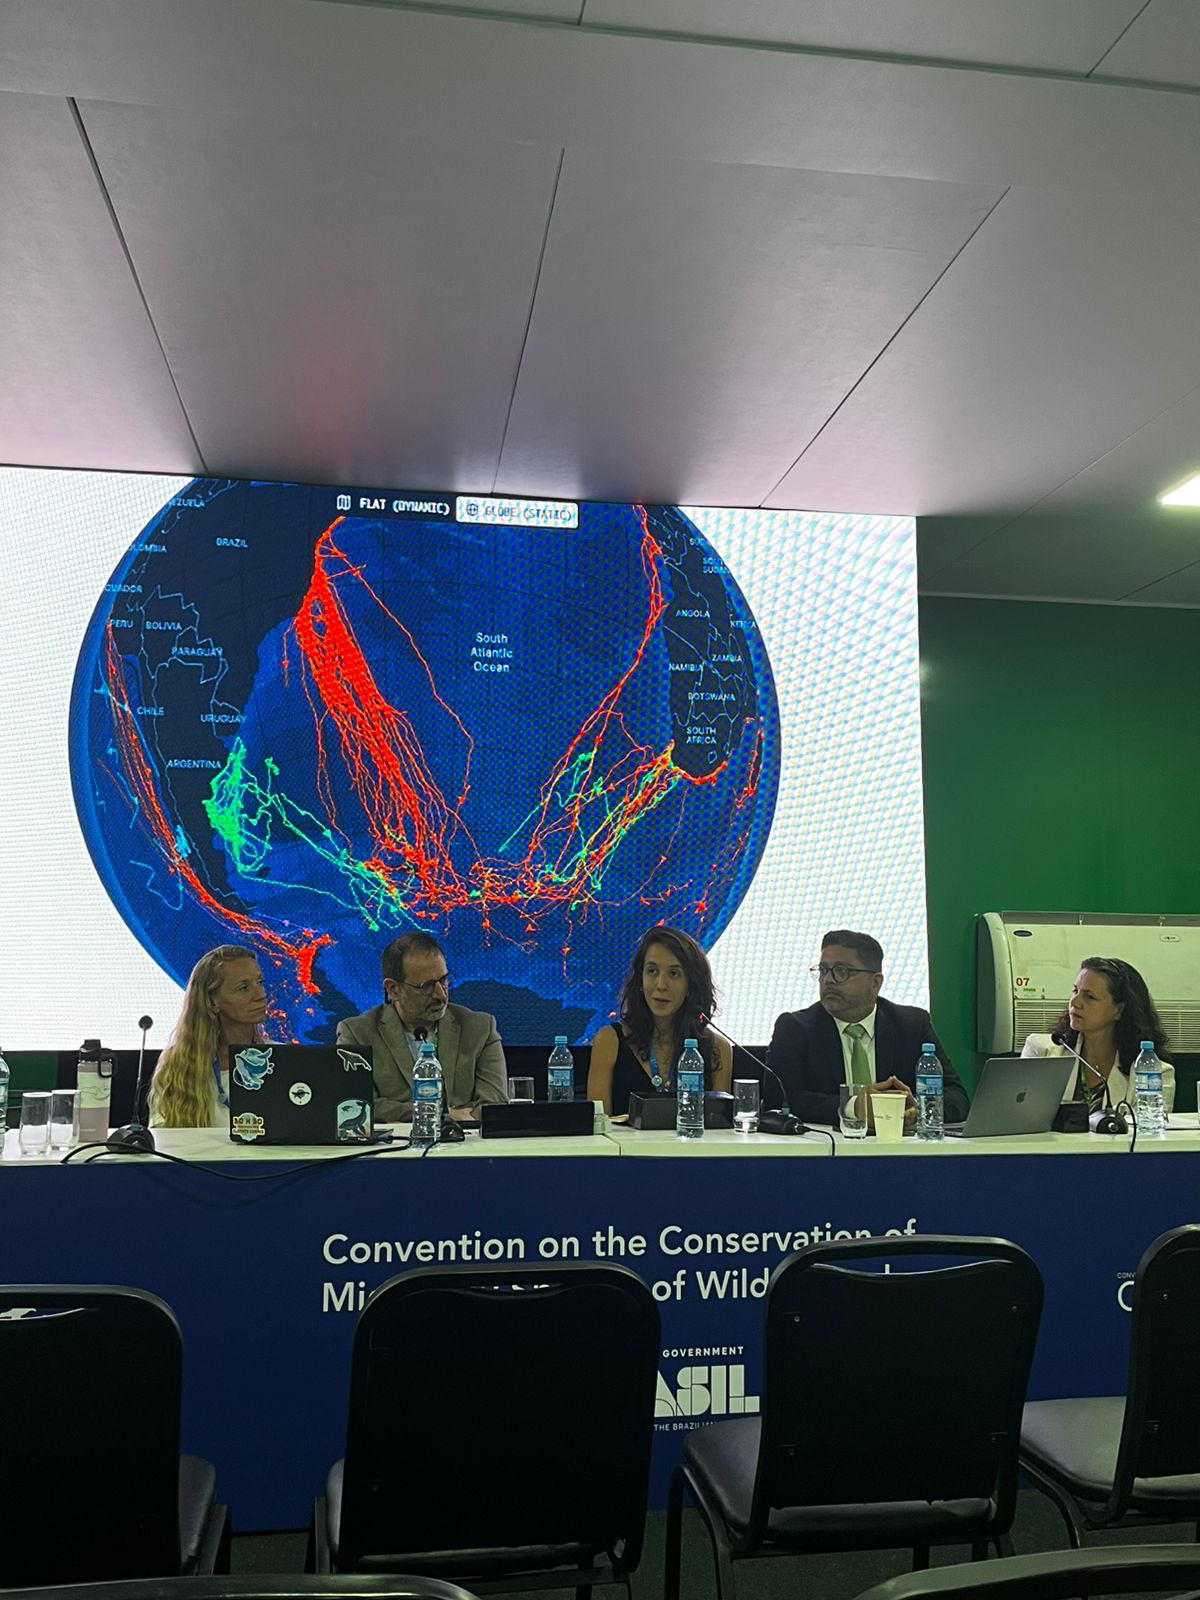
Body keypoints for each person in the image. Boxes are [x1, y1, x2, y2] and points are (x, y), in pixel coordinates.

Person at [766, 929, 968, 1129]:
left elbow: (957, 1097)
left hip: (898, 1145)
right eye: (823, 970)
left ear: (875, 982)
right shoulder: (795, 1028)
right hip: (827, 1147)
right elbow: (779, 1100)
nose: (827, 980)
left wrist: (915, 1108)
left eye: (841, 971)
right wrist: (854, 1107)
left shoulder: (911, 1025)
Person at [337, 932, 507, 1122]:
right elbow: (355, 1105)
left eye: (443, 981)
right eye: (426, 986)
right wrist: (438, 1115)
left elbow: (495, 1103)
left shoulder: (480, 1028)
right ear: (393, 989)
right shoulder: (357, 1034)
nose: (440, 995)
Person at [587, 924, 733, 1118]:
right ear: (640, 979)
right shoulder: (609, 1041)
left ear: (691, 985)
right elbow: (597, 1129)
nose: (661, 985)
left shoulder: (717, 1049)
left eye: (674, 974)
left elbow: (720, 1130)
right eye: (652, 971)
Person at [1021, 956, 1174, 1113]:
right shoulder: (1040, 1052)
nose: (1075, 1002)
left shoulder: (1154, 1075)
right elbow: (1020, 1116)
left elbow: (1149, 1127)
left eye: (1089, 997)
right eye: (1075, 991)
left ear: (1119, 1010)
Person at [149, 944, 268, 1128]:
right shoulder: (178, 1065)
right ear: (212, 1001)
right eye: (243, 988)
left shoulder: (282, 1060)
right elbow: (162, 1135)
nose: (260, 995)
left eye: (260, 982)